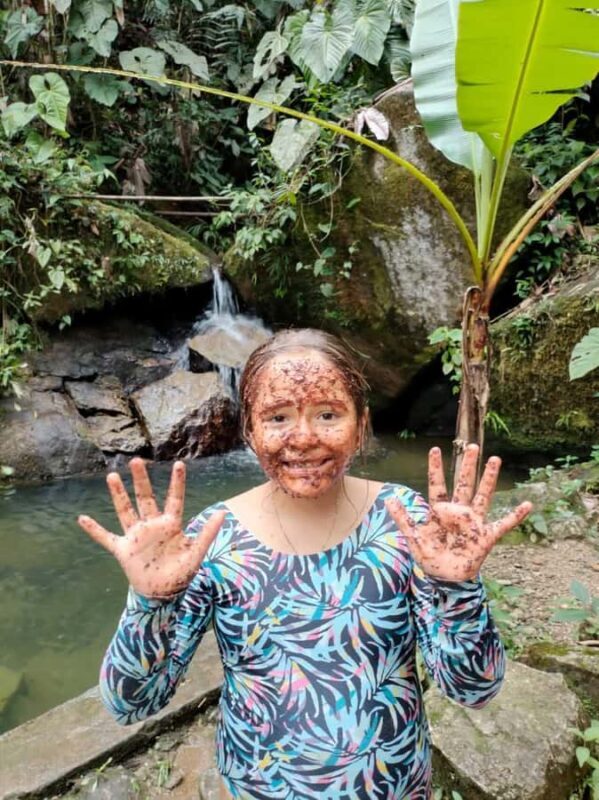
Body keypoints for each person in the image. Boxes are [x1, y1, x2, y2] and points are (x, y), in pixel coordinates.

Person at [78, 328, 532, 800]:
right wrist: (151, 602)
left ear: (361, 426)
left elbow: (473, 689)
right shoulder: (215, 537)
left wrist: (457, 588)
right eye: (277, 417)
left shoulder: (404, 522)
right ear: (249, 431)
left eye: (328, 414)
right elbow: (130, 705)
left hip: (393, 787)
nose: (303, 438)